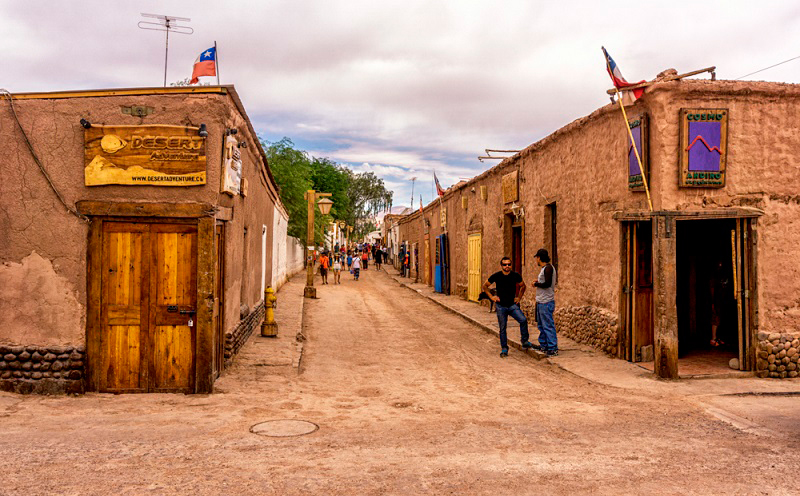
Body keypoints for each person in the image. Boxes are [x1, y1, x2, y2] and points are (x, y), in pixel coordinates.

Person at [483, 256, 533, 357]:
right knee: (502, 328)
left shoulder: (515, 275)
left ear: (511, 265)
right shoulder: (496, 276)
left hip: (512, 305)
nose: (507, 266)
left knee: (523, 320)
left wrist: (519, 298)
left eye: (509, 264)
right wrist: (492, 297)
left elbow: (523, 286)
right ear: (501, 265)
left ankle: (524, 341)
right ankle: (504, 349)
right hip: (501, 306)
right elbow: (485, 286)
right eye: (505, 264)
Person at [532, 248, 558, 356]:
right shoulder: (545, 269)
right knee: (541, 325)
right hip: (541, 301)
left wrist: (536, 284)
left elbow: (547, 284)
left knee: (547, 325)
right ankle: (544, 345)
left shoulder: (548, 268)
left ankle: (552, 347)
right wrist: (538, 281)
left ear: (539, 258)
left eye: (537, 258)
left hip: (546, 301)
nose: (536, 260)